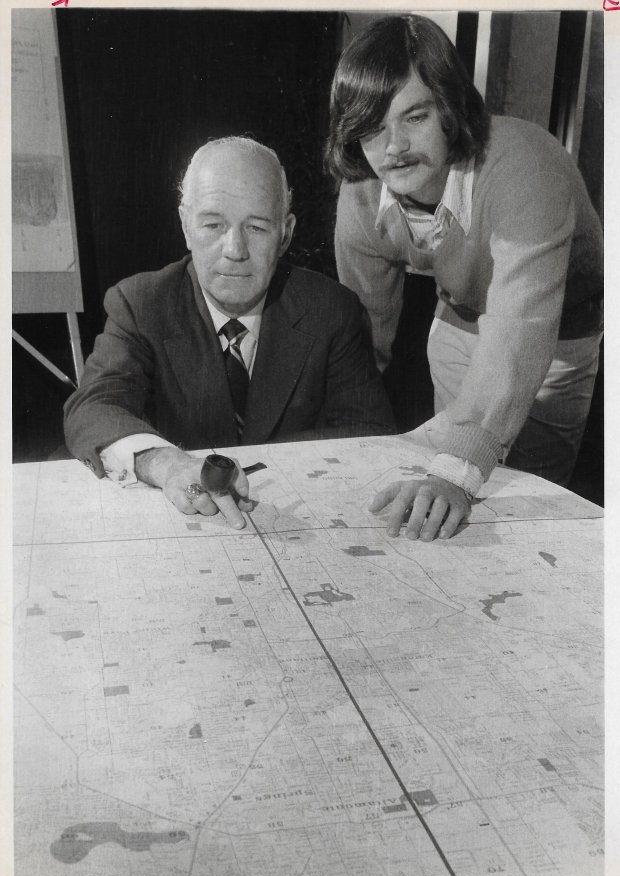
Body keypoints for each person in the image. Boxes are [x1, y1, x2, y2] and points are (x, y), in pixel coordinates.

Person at [325, 14, 603, 542]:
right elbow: (364, 336)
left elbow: (520, 331)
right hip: (458, 319)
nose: (394, 148)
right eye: (373, 127)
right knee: (446, 513)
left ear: (450, 109)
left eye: (415, 117)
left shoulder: (527, 168)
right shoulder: (363, 189)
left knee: (525, 510)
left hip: (556, 336)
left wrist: (460, 467)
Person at [64, 137, 394, 528]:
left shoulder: (331, 309)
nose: (234, 249)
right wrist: (168, 465)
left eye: (256, 227)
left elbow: (369, 433)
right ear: (186, 226)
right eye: (213, 225)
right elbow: (93, 409)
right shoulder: (141, 304)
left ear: (286, 233)